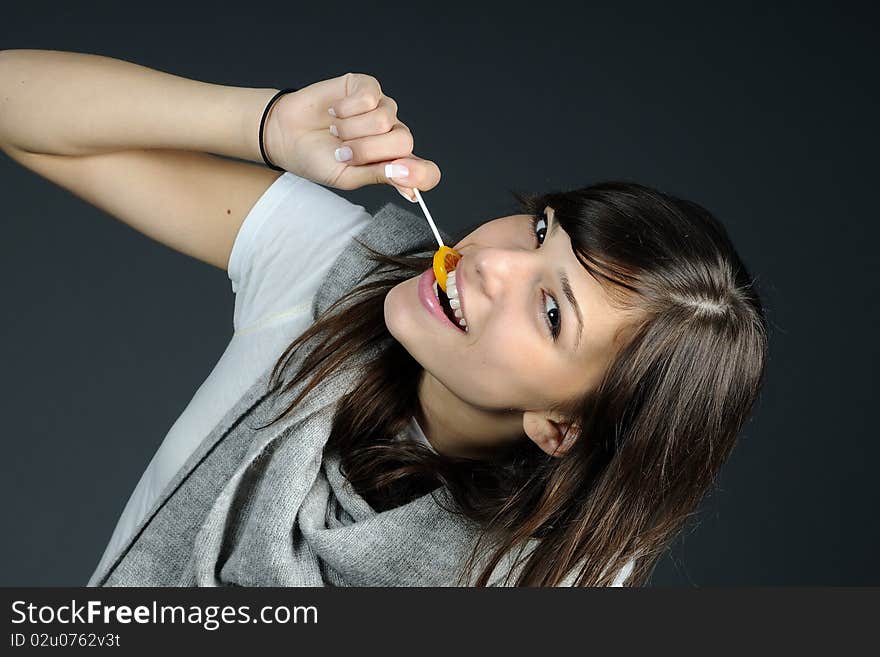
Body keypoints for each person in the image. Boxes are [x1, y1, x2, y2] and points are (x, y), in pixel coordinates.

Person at [0, 49, 768, 587]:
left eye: (550, 309)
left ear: (560, 426)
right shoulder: (339, 268)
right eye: (541, 231)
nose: (495, 261)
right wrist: (264, 125)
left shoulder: (562, 583)